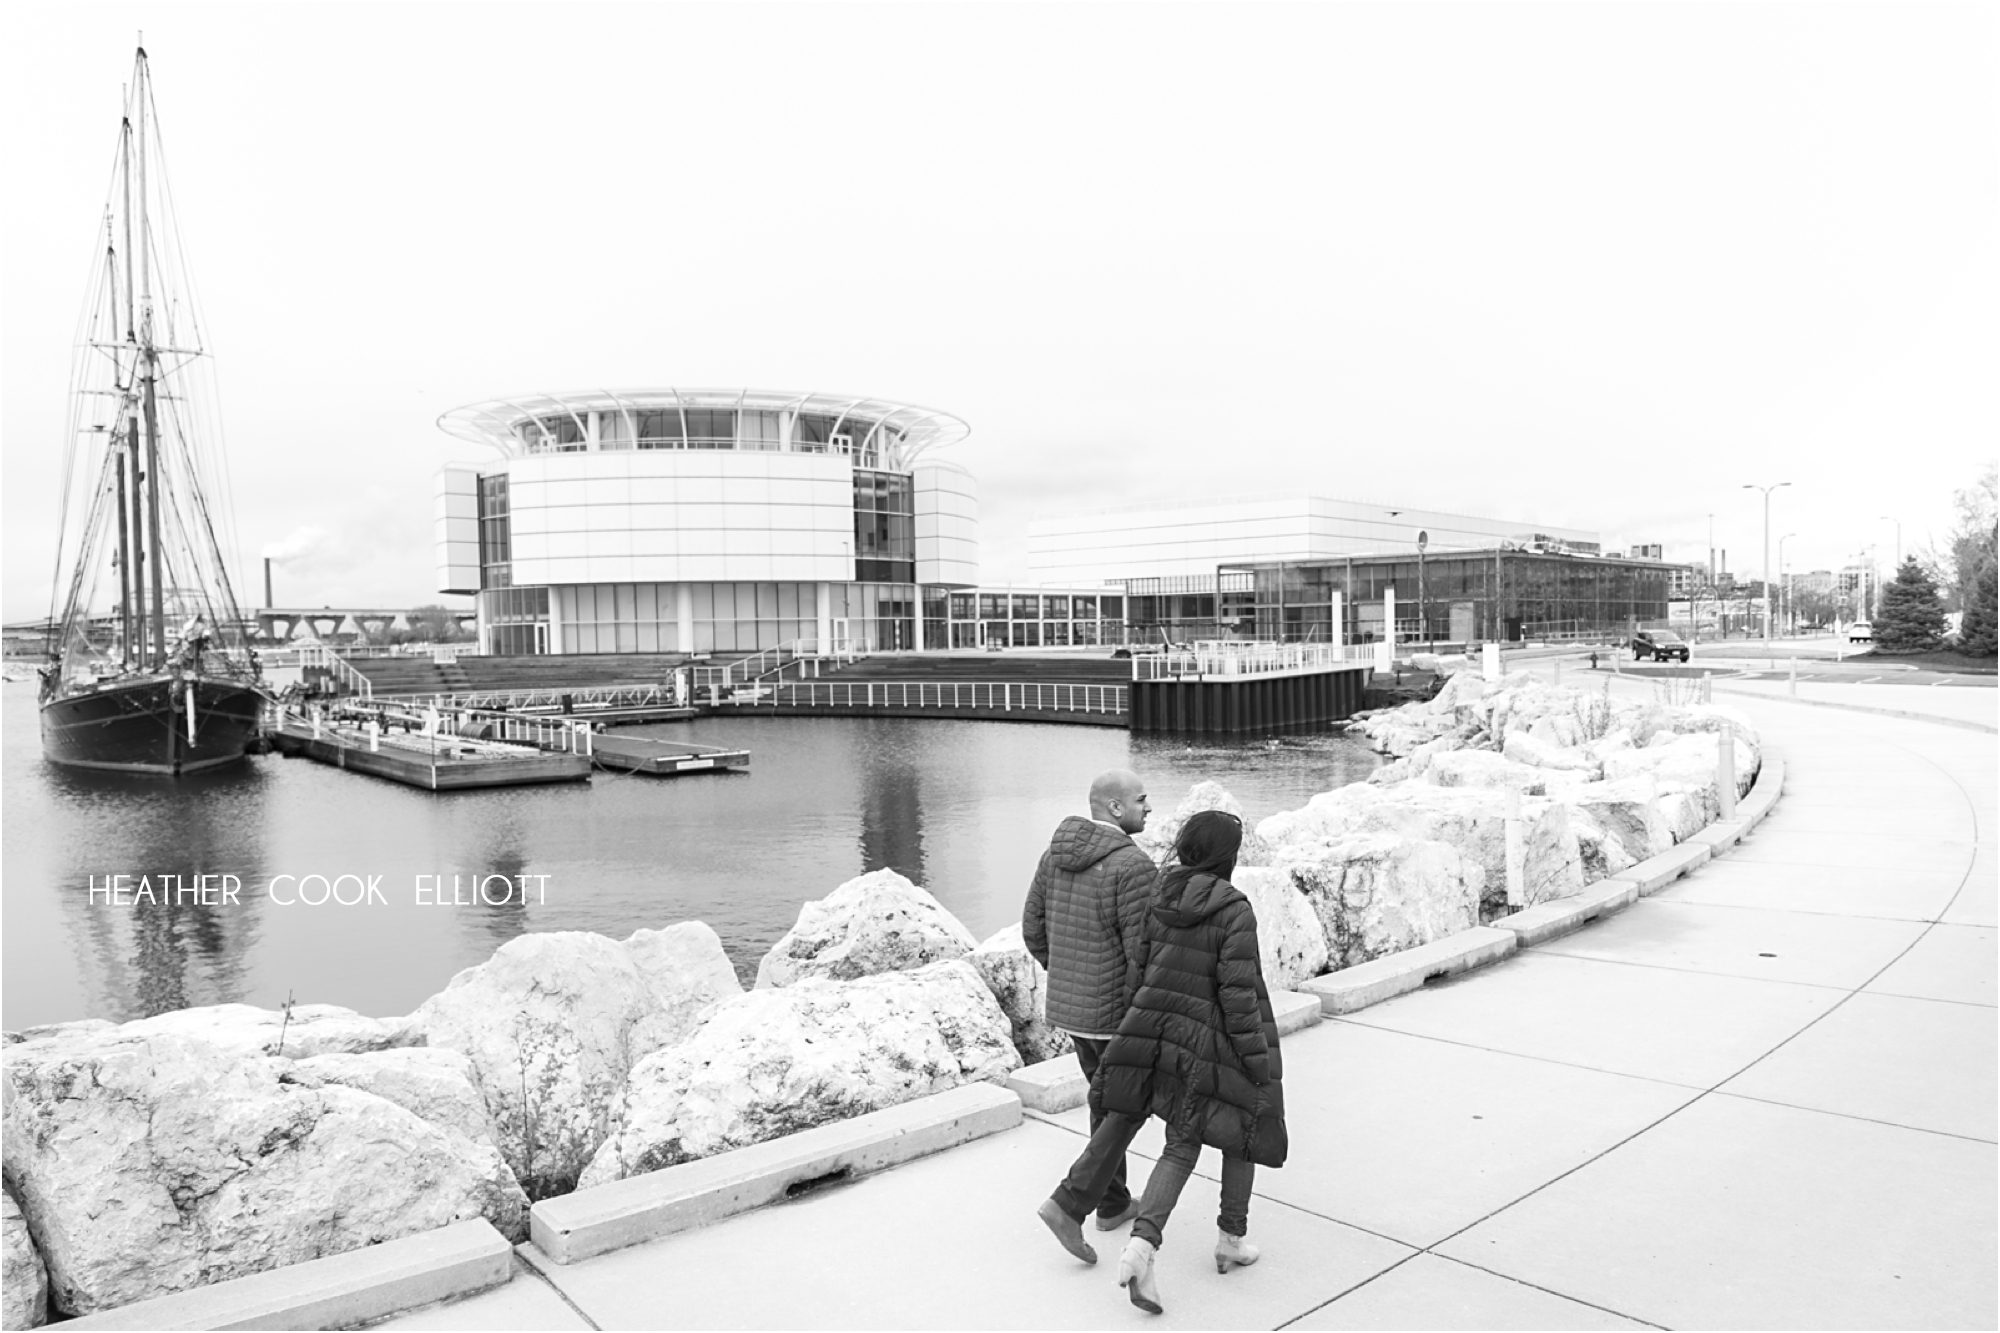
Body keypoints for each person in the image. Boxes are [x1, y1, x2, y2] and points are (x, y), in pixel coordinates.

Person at [1035, 809, 1288, 1316]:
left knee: (1183, 1134)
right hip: (1212, 1042)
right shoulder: (1233, 909)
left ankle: (1192, 1238)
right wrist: (1256, 1057)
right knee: (1229, 1125)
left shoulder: (1160, 894)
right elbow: (1239, 996)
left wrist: (1137, 1023)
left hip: (1158, 1032)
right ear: (1227, 857)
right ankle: (1166, 1244)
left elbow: (1140, 968)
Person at [1023, 767, 1158, 1235]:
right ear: (1115, 808)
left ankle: (1114, 1203)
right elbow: (1144, 953)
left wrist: (1068, 978)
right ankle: (1070, 1203)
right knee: (1128, 1109)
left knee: (1104, 1106)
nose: (1149, 807)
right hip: (1117, 1018)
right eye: (1142, 799)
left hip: (1074, 1013)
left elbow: (1033, 930)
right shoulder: (1133, 866)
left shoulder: (1052, 856)